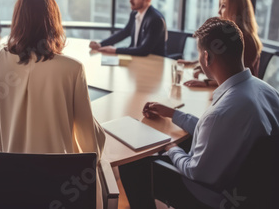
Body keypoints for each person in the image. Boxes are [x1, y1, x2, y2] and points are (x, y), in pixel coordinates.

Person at [119, 17, 279, 208]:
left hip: (209, 196)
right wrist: (172, 114)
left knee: (132, 164)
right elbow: (215, 130)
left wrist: (171, 147)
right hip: (256, 188)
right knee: (183, 140)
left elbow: (195, 172)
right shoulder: (267, 91)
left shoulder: (221, 112)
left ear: (206, 57)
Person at [0, 0, 106, 208]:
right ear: (53, 21)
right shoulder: (72, 68)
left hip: (11, 179)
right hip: (61, 184)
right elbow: (89, 142)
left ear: (17, 20)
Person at [182, 0, 263, 87]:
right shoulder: (229, 36)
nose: (219, 11)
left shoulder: (244, 40)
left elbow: (236, 77)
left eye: (223, 6)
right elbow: (222, 61)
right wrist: (195, 63)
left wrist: (206, 83)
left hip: (239, 91)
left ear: (237, 11)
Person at [89, 0, 167, 56]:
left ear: (147, 0)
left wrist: (115, 50)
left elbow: (144, 50)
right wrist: (101, 44)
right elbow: (124, 32)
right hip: (136, 58)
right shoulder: (134, 13)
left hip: (153, 62)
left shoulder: (155, 19)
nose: (130, 0)